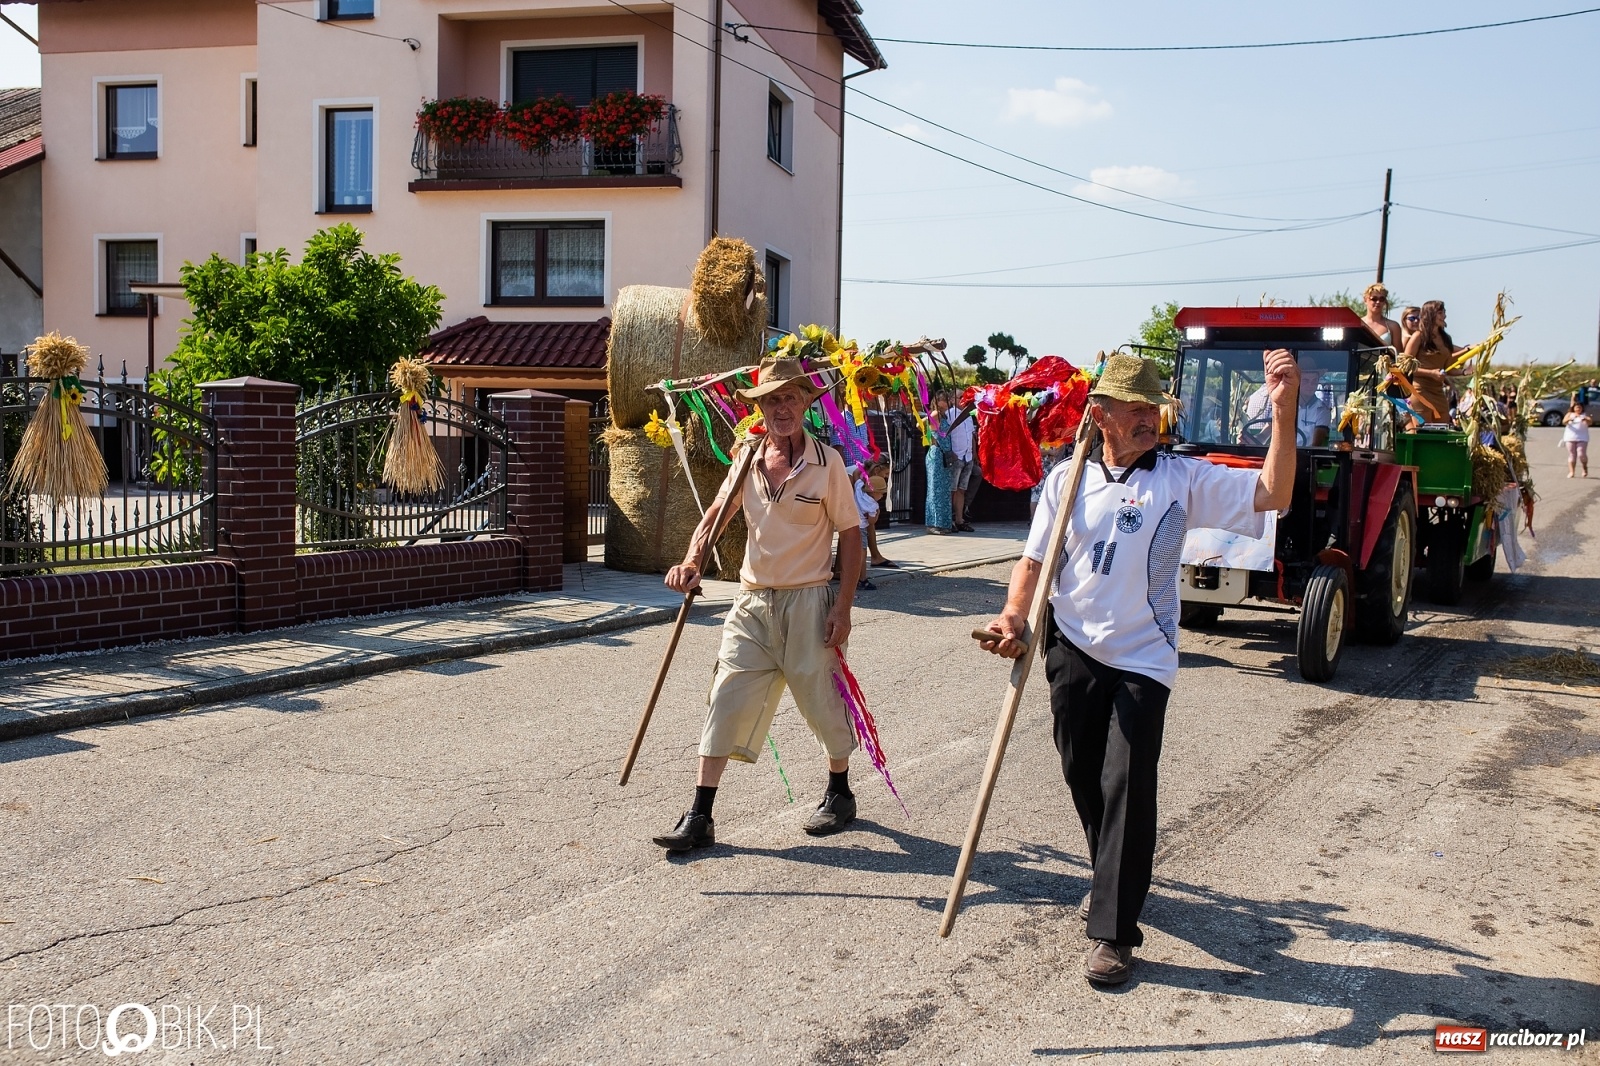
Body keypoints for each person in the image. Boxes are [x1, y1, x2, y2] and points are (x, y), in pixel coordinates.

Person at [977, 351, 1299, 986]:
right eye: (1136, 408)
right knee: (1080, 771)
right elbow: (1034, 562)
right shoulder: (1065, 480)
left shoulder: (1180, 478)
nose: (1150, 417)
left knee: (1127, 781)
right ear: (1101, 416)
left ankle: (1115, 931)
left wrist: (1283, 412)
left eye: (1153, 407)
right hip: (1071, 642)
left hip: (1143, 658)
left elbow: (1274, 492)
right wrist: (1014, 615)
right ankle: (1111, 877)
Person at [653, 356, 864, 853]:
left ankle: (840, 791)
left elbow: (851, 536)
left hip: (810, 601)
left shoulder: (827, 462)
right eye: (771, 399)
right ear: (761, 408)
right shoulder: (747, 456)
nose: (781, 407)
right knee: (724, 696)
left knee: (823, 701)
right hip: (751, 604)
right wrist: (691, 561)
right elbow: (717, 514)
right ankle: (700, 814)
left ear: (805, 404)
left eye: (789, 397)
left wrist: (844, 608)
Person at [1242, 366, 1331, 446]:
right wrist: (1249, 441)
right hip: (1281, 457)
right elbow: (1264, 435)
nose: (1310, 385)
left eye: (1314, 381)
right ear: (1297, 382)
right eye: (1305, 381)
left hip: (1305, 460)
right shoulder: (1282, 405)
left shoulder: (1322, 410)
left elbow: (1316, 446)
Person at [1402, 300, 1456, 424]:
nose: (1444, 316)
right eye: (1440, 313)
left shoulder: (1446, 339)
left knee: (1442, 432)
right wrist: (1430, 373)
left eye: (1444, 312)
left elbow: (1448, 368)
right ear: (1430, 314)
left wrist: (1465, 372)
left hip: (1438, 392)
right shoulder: (1418, 336)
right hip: (1420, 390)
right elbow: (1405, 366)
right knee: (1423, 433)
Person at [925, 395, 955, 534]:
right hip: (937, 454)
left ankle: (944, 523)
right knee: (935, 489)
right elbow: (921, 423)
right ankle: (933, 524)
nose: (948, 402)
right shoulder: (935, 414)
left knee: (944, 490)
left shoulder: (945, 416)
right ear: (938, 401)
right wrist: (931, 437)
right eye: (946, 399)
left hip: (945, 455)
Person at [947, 402, 978, 532]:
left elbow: (971, 435)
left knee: (961, 490)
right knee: (951, 490)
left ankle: (960, 520)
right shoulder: (951, 413)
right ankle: (949, 520)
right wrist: (950, 451)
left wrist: (974, 454)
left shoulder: (969, 415)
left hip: (968, 456)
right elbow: (945, 433)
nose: (963, 401)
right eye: (960, 398)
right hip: (957, 456)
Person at [864, 458, 897, 568]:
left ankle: (875, 556)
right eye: (886, 473)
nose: (887, 477)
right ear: (877, 470)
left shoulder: (867, 479)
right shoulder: (859, 476)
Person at [851, 464, 879, 591]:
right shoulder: (872, 505)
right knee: (862, 552)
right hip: (862, 527)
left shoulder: (858, 488)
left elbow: (856, 473)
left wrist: (864, 466)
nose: (882, 497)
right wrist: (877, 513)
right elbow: (872, 521)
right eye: (882, 494)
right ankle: (861, 579)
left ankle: (857, 578)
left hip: (852, 523)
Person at [1361, 283, 1403, 349]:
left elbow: (1398, 355)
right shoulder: (1359, 324)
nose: (1378, 302)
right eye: (1374, 299)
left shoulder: (1393, 326)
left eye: (1381, 299)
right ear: (1365, 300)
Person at [1563, 401, 1591, 478]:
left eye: (1580, 407)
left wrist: (1584, 419)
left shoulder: (1584, 415)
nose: (1578, 408)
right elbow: (1564, 421)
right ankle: (1572, 472)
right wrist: (1570, 419)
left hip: (1582, 437)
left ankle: (1584, 468)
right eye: (1576, 407)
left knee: (1581, 454)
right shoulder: (1570, 414)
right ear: (1574, 408)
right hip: (1570, 437)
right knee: (1572, 454)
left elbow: (1590, 421)